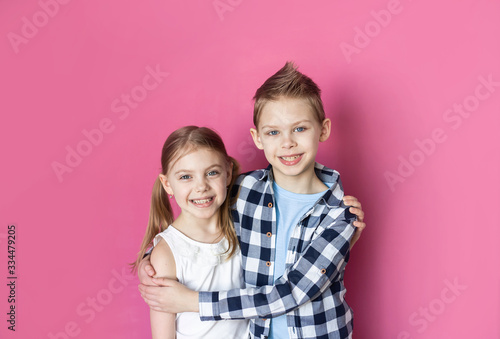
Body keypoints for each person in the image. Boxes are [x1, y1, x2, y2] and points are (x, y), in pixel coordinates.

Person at [138, 62, 367, 339]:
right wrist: (154, 261)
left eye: (300, 129)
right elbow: (199, 213)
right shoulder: (243, 190)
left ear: (323, 130)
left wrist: (191, 301)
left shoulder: (340, 215)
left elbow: (291, 294)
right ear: (257, 138)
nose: (287, 143)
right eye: (273, 132)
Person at [132, 126, 249, 338]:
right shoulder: (166, 254)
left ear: (228, 172)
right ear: (167, 184)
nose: (201, 186)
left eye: (212, 173)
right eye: (186, 177)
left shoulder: (244, 228)